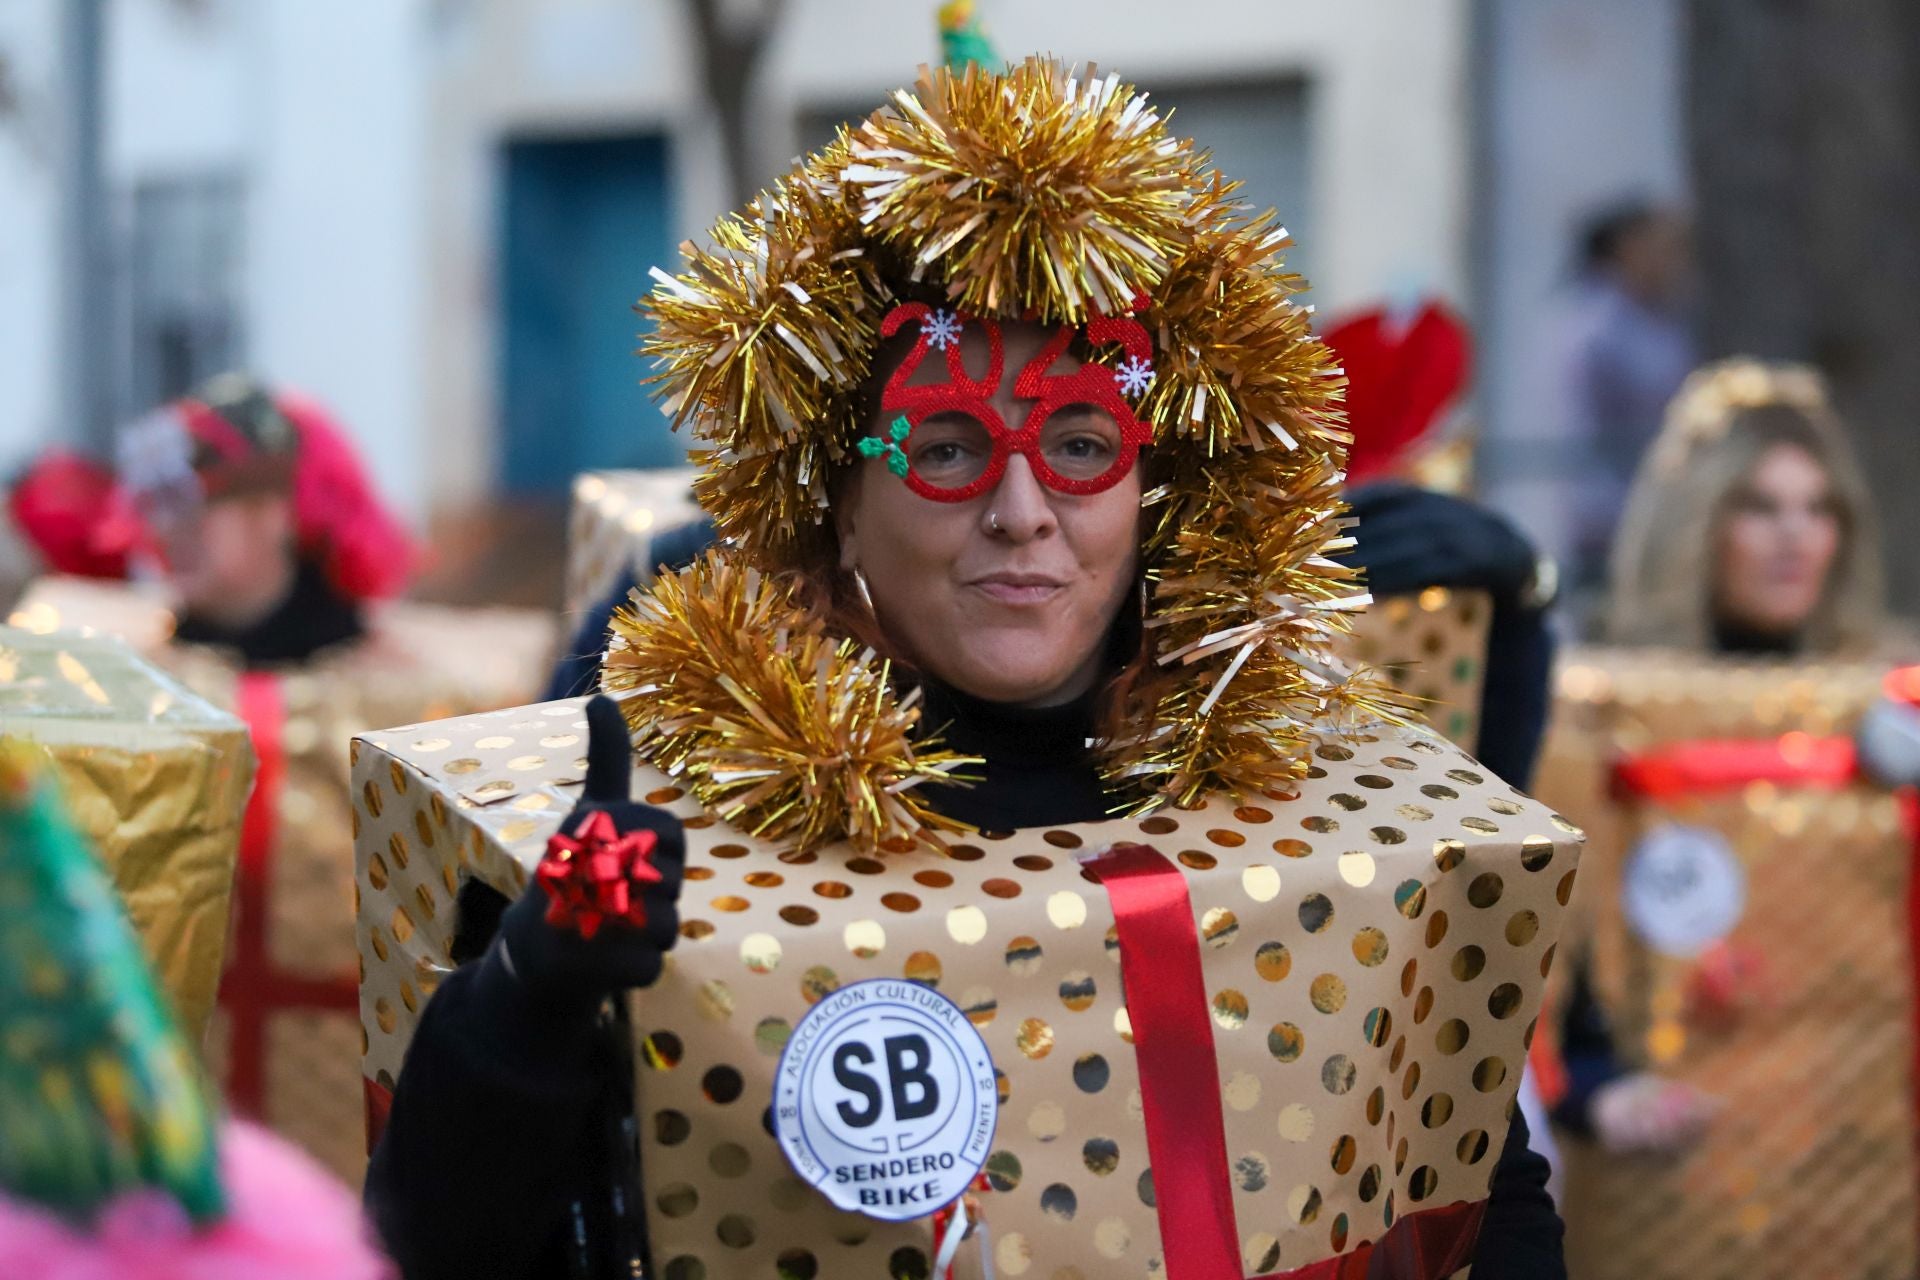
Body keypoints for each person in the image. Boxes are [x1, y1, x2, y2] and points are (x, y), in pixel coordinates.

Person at [367, 55, 1567, 1279]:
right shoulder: (677, 818)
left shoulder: (1308, 793)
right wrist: (529, 986)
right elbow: (437, 1237)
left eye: (1083, 443)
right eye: (947, 446)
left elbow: (1477, 1189)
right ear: (837, 506)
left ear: (1158, 494)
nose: (1021, 509)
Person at [105, 371, 416, 666]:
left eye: (193, 506)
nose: (165, 528)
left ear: (271, 510)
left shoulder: (389, 677)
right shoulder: (144, 673)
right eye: (157, 504)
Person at [1606, 358, 1886, 656]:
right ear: (1695, 529)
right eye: (1761, 508)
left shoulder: (1889, 691)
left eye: (1817, 508)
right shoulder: (1608, 690)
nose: (1795, 535)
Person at [1559, 201, 1698, 591]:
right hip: (1607, 520)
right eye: (1664, 246)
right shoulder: (1592, 328)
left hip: (1654, 511)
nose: (1675, 261)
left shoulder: (1656, 320)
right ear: (1627, 248)